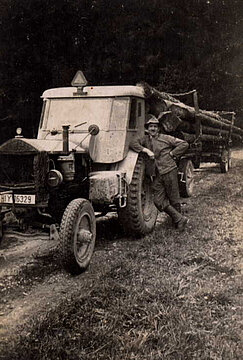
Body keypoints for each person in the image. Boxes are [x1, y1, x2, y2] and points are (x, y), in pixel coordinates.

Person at [130, 113, 189, 230]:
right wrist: (146, 150)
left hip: (169, 170)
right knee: (157, 200)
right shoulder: (145, 139)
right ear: (147, 128)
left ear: (158, 128)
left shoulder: (166, 138)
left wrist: (173, 154)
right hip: (156, 174)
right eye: (150, 126)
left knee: (174, 198)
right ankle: (179, 218)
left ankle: (178, 223)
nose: (153, 129)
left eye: (155, 127)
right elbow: (132, 143)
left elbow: (184, 144)